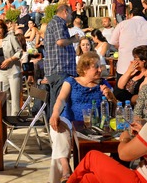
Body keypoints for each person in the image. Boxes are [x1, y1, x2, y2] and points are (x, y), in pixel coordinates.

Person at [49, 52, 115, 183]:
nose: (100, 70)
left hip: (94, 125)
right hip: (69, 121)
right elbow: (61, 99)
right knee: (58, 128)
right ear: (85, 69)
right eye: (96, 67)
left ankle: (67, 177)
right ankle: (66, 168)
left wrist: (110, 96)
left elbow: (116, 106)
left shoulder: (103, 84)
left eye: (100, 66)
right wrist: (55, 113)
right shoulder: (71, 81)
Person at [109, 7, 147, 90]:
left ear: (130, 15)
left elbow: (113, 42)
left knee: (121, 93)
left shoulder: (122, 24)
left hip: (125, 66)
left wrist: (124, 48)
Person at [44, 4, 80, 115]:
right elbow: (60, 41)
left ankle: (53, 128)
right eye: (70, 14)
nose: (71, 17)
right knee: (60, 103)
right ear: (65, 11)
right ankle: (56, 128)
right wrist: (73, 39)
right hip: (60, 69)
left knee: (55, 102)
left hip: (57, 69)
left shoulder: (55, 22)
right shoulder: (58, 22)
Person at [0, 19, 23, 116]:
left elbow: (20, 52)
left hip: (13, 71)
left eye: (0, 28)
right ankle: (7, 117)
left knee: (14, 97)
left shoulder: (11, 38)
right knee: (2, 96)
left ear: (3, 28)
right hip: (1, 72)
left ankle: (15, 118)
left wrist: (10, 59)